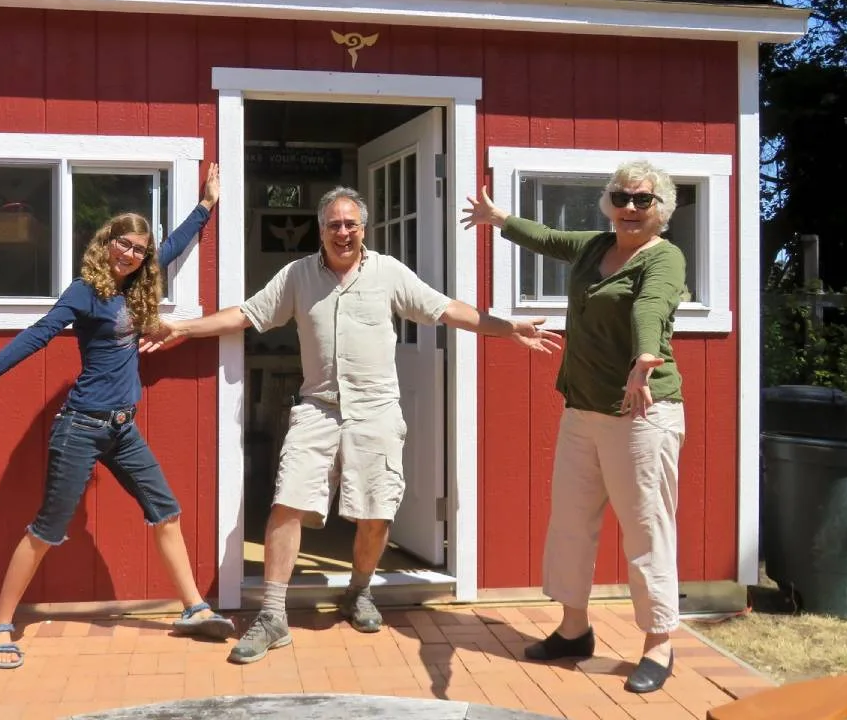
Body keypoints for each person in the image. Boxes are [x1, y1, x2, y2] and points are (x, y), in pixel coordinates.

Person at [141, 186, 561, 665]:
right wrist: (181, 327)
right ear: (320, 230)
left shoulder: (388, 273)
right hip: (317, 407)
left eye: (351, 224)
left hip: (376, 409)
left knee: (377, 512)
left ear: (364, 229)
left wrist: (509, 327)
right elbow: (247, 314)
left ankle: (358, 592)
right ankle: (273, 616)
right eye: (334, 224)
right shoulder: (298, 275)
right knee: (287, 503)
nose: (343, 232)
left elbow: (446, 309)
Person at [0, 163, 234, 670]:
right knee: (47, 530)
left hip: (122, 428)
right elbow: (40, 333)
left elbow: (173, 246)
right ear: (106, 242)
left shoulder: (139, 284)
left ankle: (193, 610)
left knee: (167, 512)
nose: (131, 254)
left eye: (139, 249)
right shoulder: (84, 292)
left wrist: (206, 204)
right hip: (80, 428)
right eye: (124, 245)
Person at [461, 160, 688, 694]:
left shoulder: (666, 258)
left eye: (643, 200)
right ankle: (573, 628)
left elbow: (651, 308)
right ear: (609, 202)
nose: (631, 207)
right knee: (570, 521)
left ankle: (658, 642)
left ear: (662, 210)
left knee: (646, 529)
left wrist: (646, 354)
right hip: (583, 408)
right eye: (622, 197)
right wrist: (499, 219)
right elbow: (547, 237)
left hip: (642, 412)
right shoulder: (593, 246)